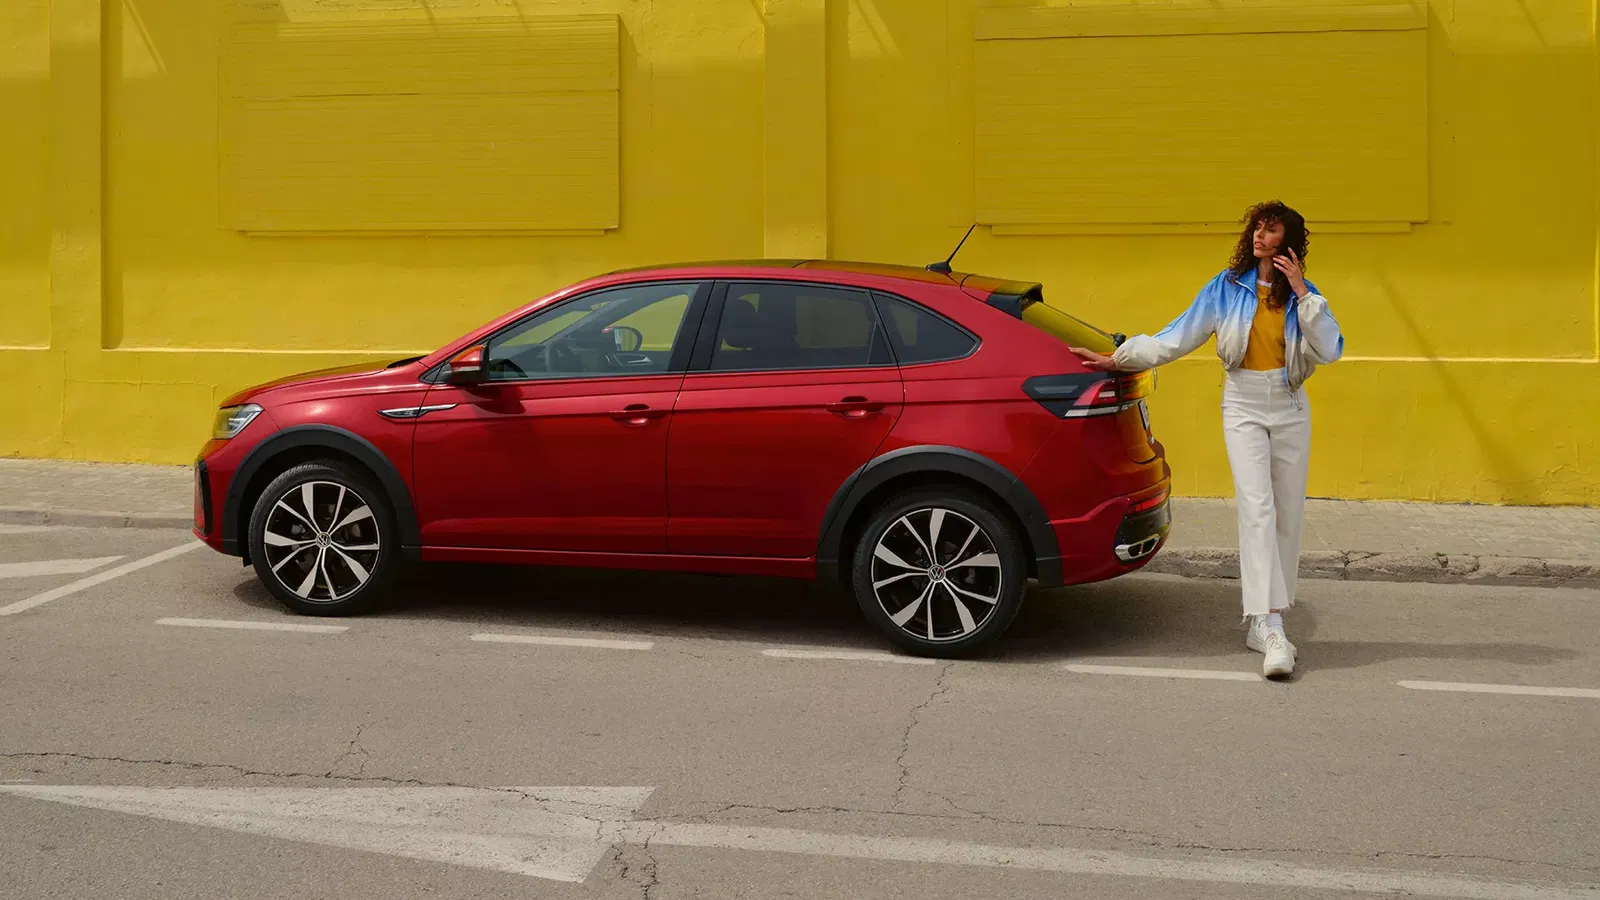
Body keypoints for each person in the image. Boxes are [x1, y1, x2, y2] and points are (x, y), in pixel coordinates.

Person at [1069, 201, 1344, 678]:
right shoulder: (1225, 287)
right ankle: (1270, 625)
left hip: (1291, 404)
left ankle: (1266, 618)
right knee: (1257, 507)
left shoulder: (1306, 297)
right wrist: (1120, 357)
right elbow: (1176, 337)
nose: (1260, 235)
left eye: (1272, 229)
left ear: (1289, 242)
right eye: (1257, 227)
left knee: (1287, 511)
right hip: (1242, 403)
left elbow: (1330, 348)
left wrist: (1301, 291)